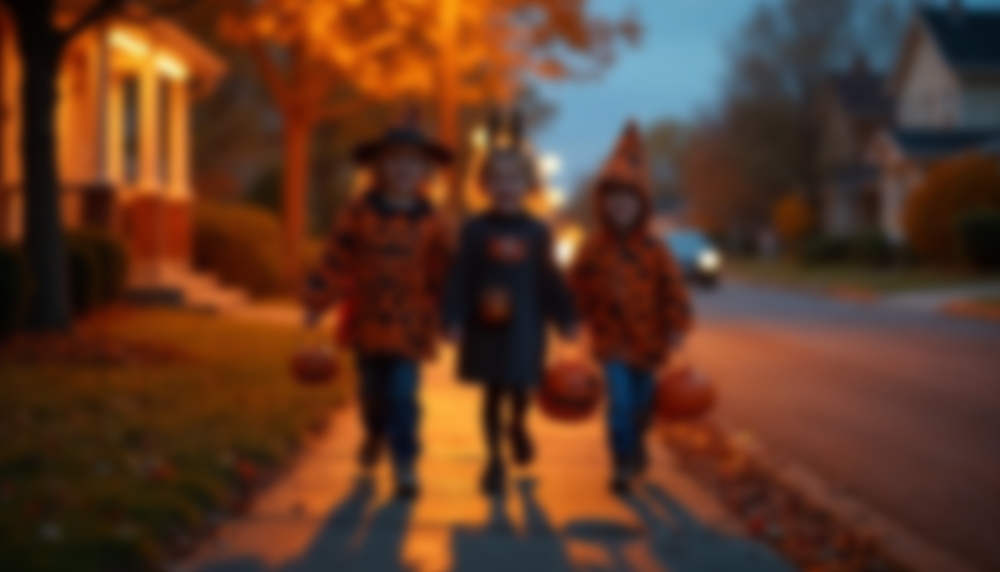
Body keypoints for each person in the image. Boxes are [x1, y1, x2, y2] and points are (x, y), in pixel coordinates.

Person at [303, 112, 452, 499]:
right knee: (372, 391)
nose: (404, 168)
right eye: (396, 161)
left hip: (410, 322)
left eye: (413, 162)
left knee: (403, 393)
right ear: (381, 167)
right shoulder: (359, 211)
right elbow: (336, 255)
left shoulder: (433, 220)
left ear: (424, 169)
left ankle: (405, 463)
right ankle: (374, 434)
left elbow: (445, 268)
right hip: (368, 318)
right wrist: (318, 300)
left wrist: (453, 313)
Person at [443, 111, 577, 496]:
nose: (506, 186)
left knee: (521, 389)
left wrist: (565, 317)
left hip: (526, 327)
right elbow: (460, 277)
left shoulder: (537, 231)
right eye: (497, 179)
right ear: (484, 184)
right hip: (484, 326)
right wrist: (453, 317)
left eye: (514, 179)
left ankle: (518, 425)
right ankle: (494, 462)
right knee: (491, 393)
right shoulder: (474, 229)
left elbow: (551, 280)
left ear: (527, 184)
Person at [569, 122, 692, 495]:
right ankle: (621, 462)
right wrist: (570, 317)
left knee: (641, 406)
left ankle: (637, 445)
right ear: (602, 203)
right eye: (613, 197)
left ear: (642, 205)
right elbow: (577, 285)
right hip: (611, 342)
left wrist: (675, 324)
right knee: (619, 403)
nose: (620, 204)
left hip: (649, 343)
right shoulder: (594, 247)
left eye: (629, 198)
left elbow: (673, 291)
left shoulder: (655, 250)